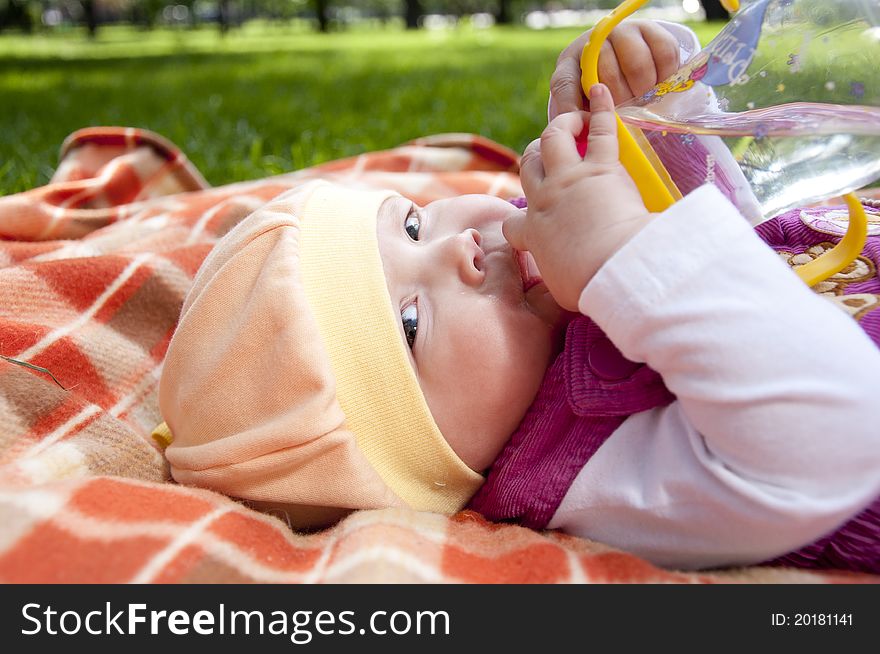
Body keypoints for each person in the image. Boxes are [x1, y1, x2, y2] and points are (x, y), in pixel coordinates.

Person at [157, 21, 880, 572]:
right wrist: (625, 255)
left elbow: (732, 233)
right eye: (409, 321)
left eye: (409, 224)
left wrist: (647, 111)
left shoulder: (546, 309)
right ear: (432, 462)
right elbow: (841, 432)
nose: (454, 246)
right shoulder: (588, 471)